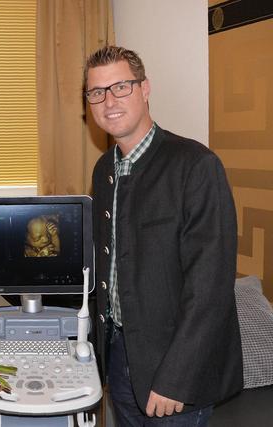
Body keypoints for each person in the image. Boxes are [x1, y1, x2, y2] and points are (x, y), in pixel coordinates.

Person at [86, 45, 243, 426]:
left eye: (120, 87)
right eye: (96, 92)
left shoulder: (195, 166)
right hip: (120, 356)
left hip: (173, 367)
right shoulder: (104, 168)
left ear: (145, 89)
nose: (109, 101)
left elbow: (210, 287)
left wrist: (177, 378)